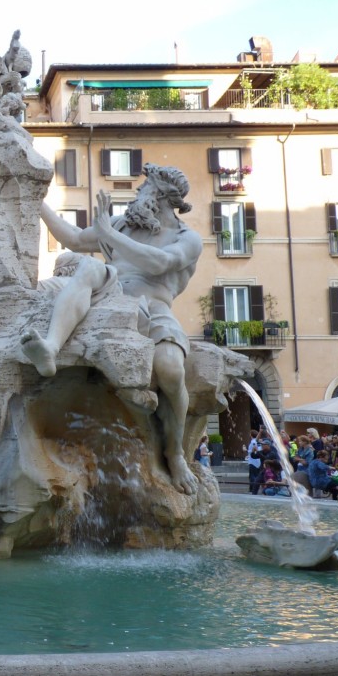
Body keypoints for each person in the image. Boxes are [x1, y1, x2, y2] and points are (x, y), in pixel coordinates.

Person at [29, 165, 203, 494]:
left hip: (154, 307)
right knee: (91, 266)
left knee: (169, 368)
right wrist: (36, 198)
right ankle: (50, 348)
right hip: (112, 293)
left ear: (162, 197)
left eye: (144, 189)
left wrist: (109, 234)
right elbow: (73, 238)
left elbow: (160, 264)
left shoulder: (186, 238)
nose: (137, 194)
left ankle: (175, 452)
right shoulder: (122, 225)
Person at [246, 429, 264, 495]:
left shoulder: (253, 442)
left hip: (252, 461)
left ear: (251, 435)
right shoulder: (258, 442)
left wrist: (260, 432)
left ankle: (252, 489)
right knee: (256, 475)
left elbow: (253, 450)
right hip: (258, 462)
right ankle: (254, 488)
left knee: (252, 476)